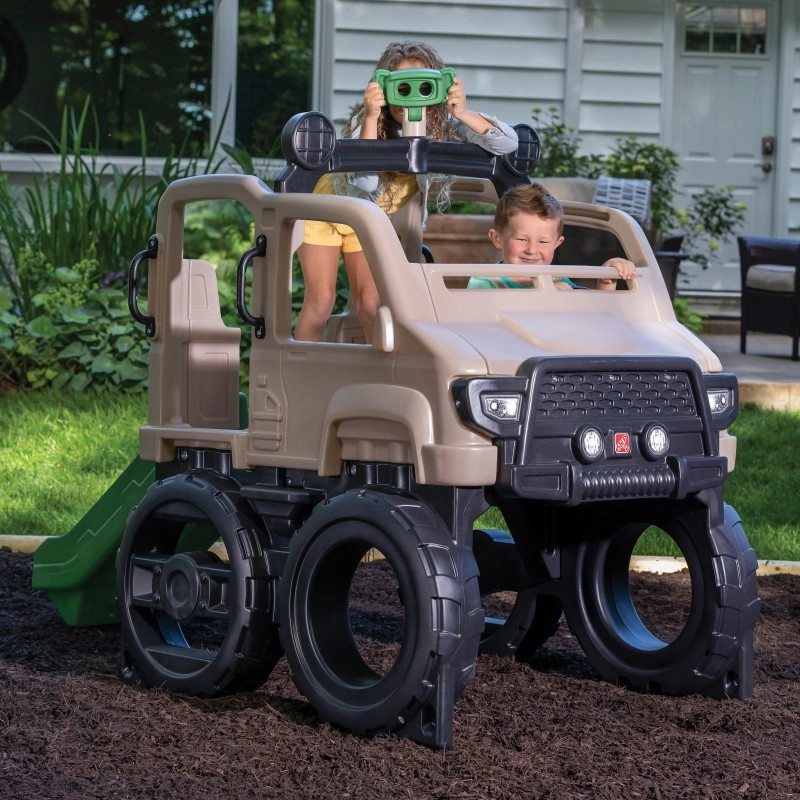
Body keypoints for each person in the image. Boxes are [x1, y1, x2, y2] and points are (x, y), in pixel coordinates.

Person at [295, 40, 519, 342]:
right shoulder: (370, 121)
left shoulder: (442, 124)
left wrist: (463, 113)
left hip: (365, 219)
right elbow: (364, 185)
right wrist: (371, 117)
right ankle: (301, 369)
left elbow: (508, 143)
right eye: (402, 88)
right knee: (321, 301)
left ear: (438, 89)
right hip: (327, 210)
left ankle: (381, 368)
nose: (412, 99)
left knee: (371, 304)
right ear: (385, 89)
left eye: (424, 88)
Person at [468, 182, 636, 290]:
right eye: (522, 239)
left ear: (557, 243)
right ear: (497, 239)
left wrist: (606, 281)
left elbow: (594, 318)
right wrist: (545, 295)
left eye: (543, 241)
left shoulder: (557, 278)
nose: (532, 250)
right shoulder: (485, 281)